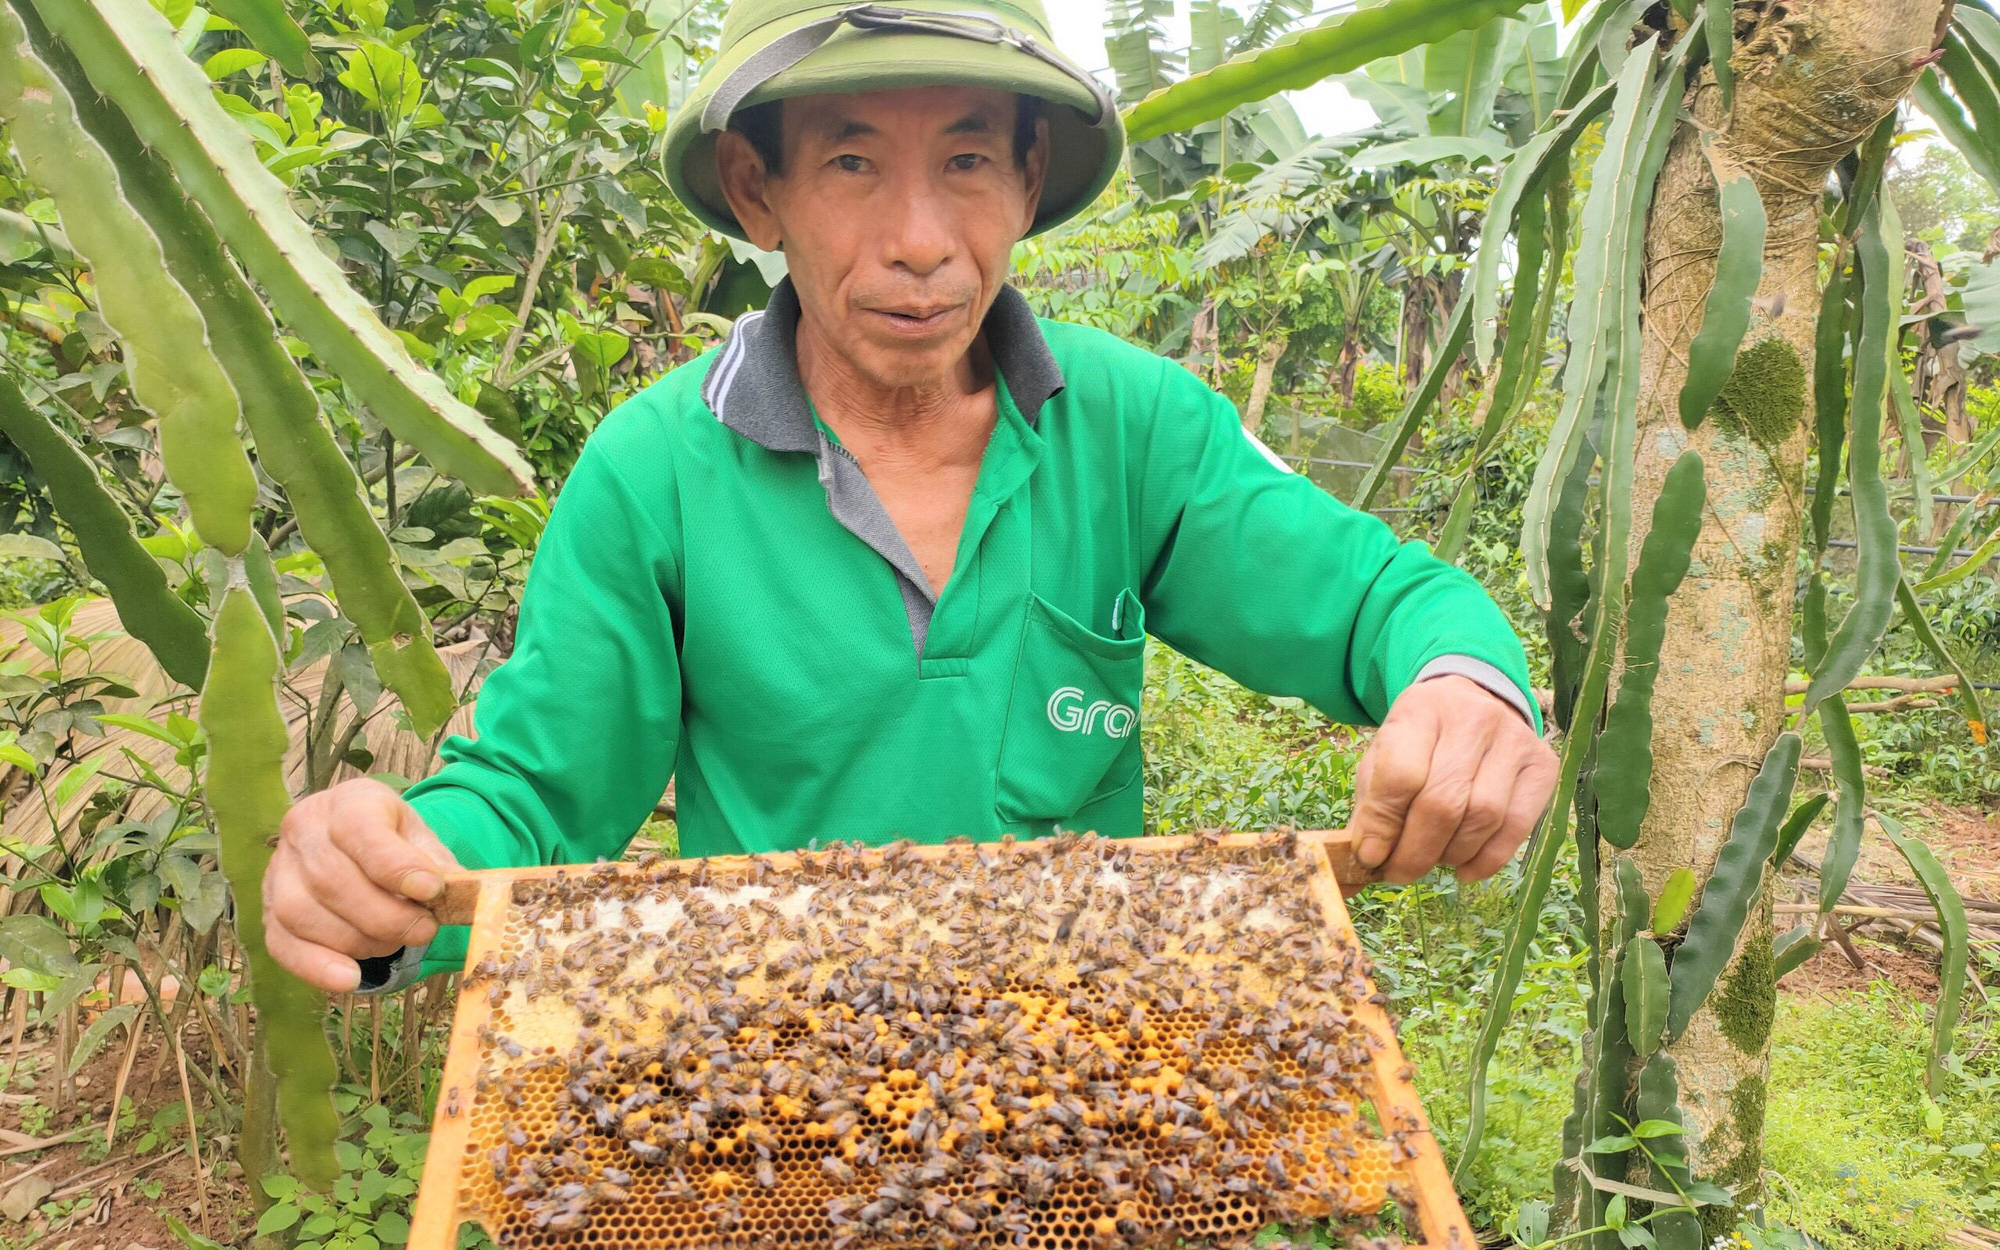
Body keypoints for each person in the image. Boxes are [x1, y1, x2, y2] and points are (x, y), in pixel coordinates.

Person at [263, 0, 1559, 995]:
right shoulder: (650, 476)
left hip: (1075, 1082)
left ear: (1029, 176)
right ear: (754, 189)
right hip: (778, 1099)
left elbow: (1379, 599)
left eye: (967, 161)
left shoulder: (1134, 429)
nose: (922, 239)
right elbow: (533, 801)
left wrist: (1460, 682)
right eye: (850, 165)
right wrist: (379, 883)